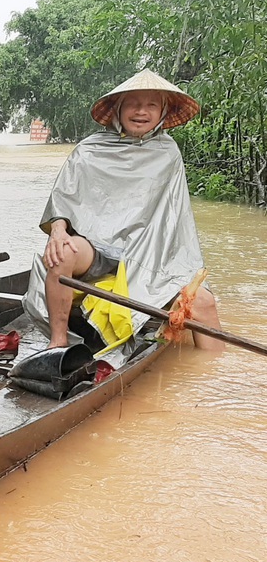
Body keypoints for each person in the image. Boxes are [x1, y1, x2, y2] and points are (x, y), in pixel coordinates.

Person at [22, 69, 225, 358]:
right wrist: (57, 230)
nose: (142, 111)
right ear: (119, 109)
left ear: (162, 112)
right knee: (62, 252)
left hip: (148, 254)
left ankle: (212, 377)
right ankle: (58, 343)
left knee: (201, 302)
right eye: (133, 103)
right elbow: (63, 201)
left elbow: (173, 221)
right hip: (97, 249)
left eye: (151, 105)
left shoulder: (168, 152)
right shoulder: (89, 150)